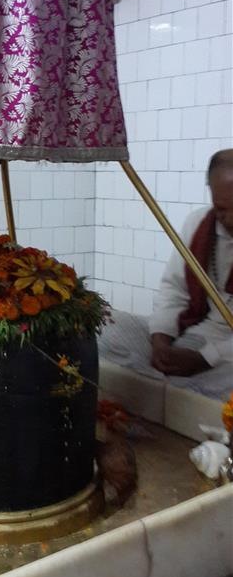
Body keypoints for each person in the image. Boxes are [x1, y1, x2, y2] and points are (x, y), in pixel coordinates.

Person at [98, 149, 233, 399]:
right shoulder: (199, 224)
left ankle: (164, 389)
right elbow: (174, 289)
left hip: (226, 357)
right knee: (102, 326)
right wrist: (161, 339)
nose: (231, 219)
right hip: (193, 336)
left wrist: (205, 359)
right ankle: (172, 388)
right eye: (223, 209)